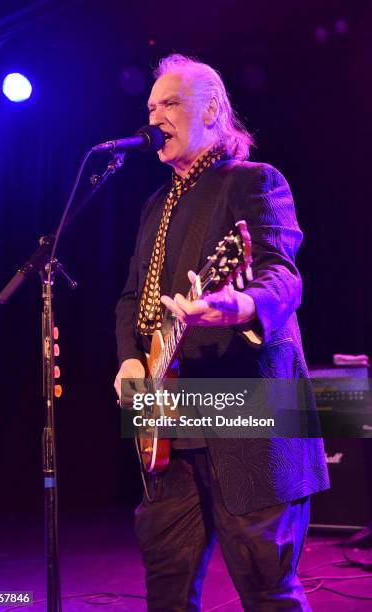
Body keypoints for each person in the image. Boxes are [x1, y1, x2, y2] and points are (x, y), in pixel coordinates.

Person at [114, 54, 329, 612]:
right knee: (166, 589)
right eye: (150, 105)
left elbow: (283, 275)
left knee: (268, 593)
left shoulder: (254, 181)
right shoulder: (155, 205)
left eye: (170, 103)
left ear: (212, 109)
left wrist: (242, 306)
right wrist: (129, 362)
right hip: (171, 417)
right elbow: (129, 300)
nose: (154, 114)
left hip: (250, 412)